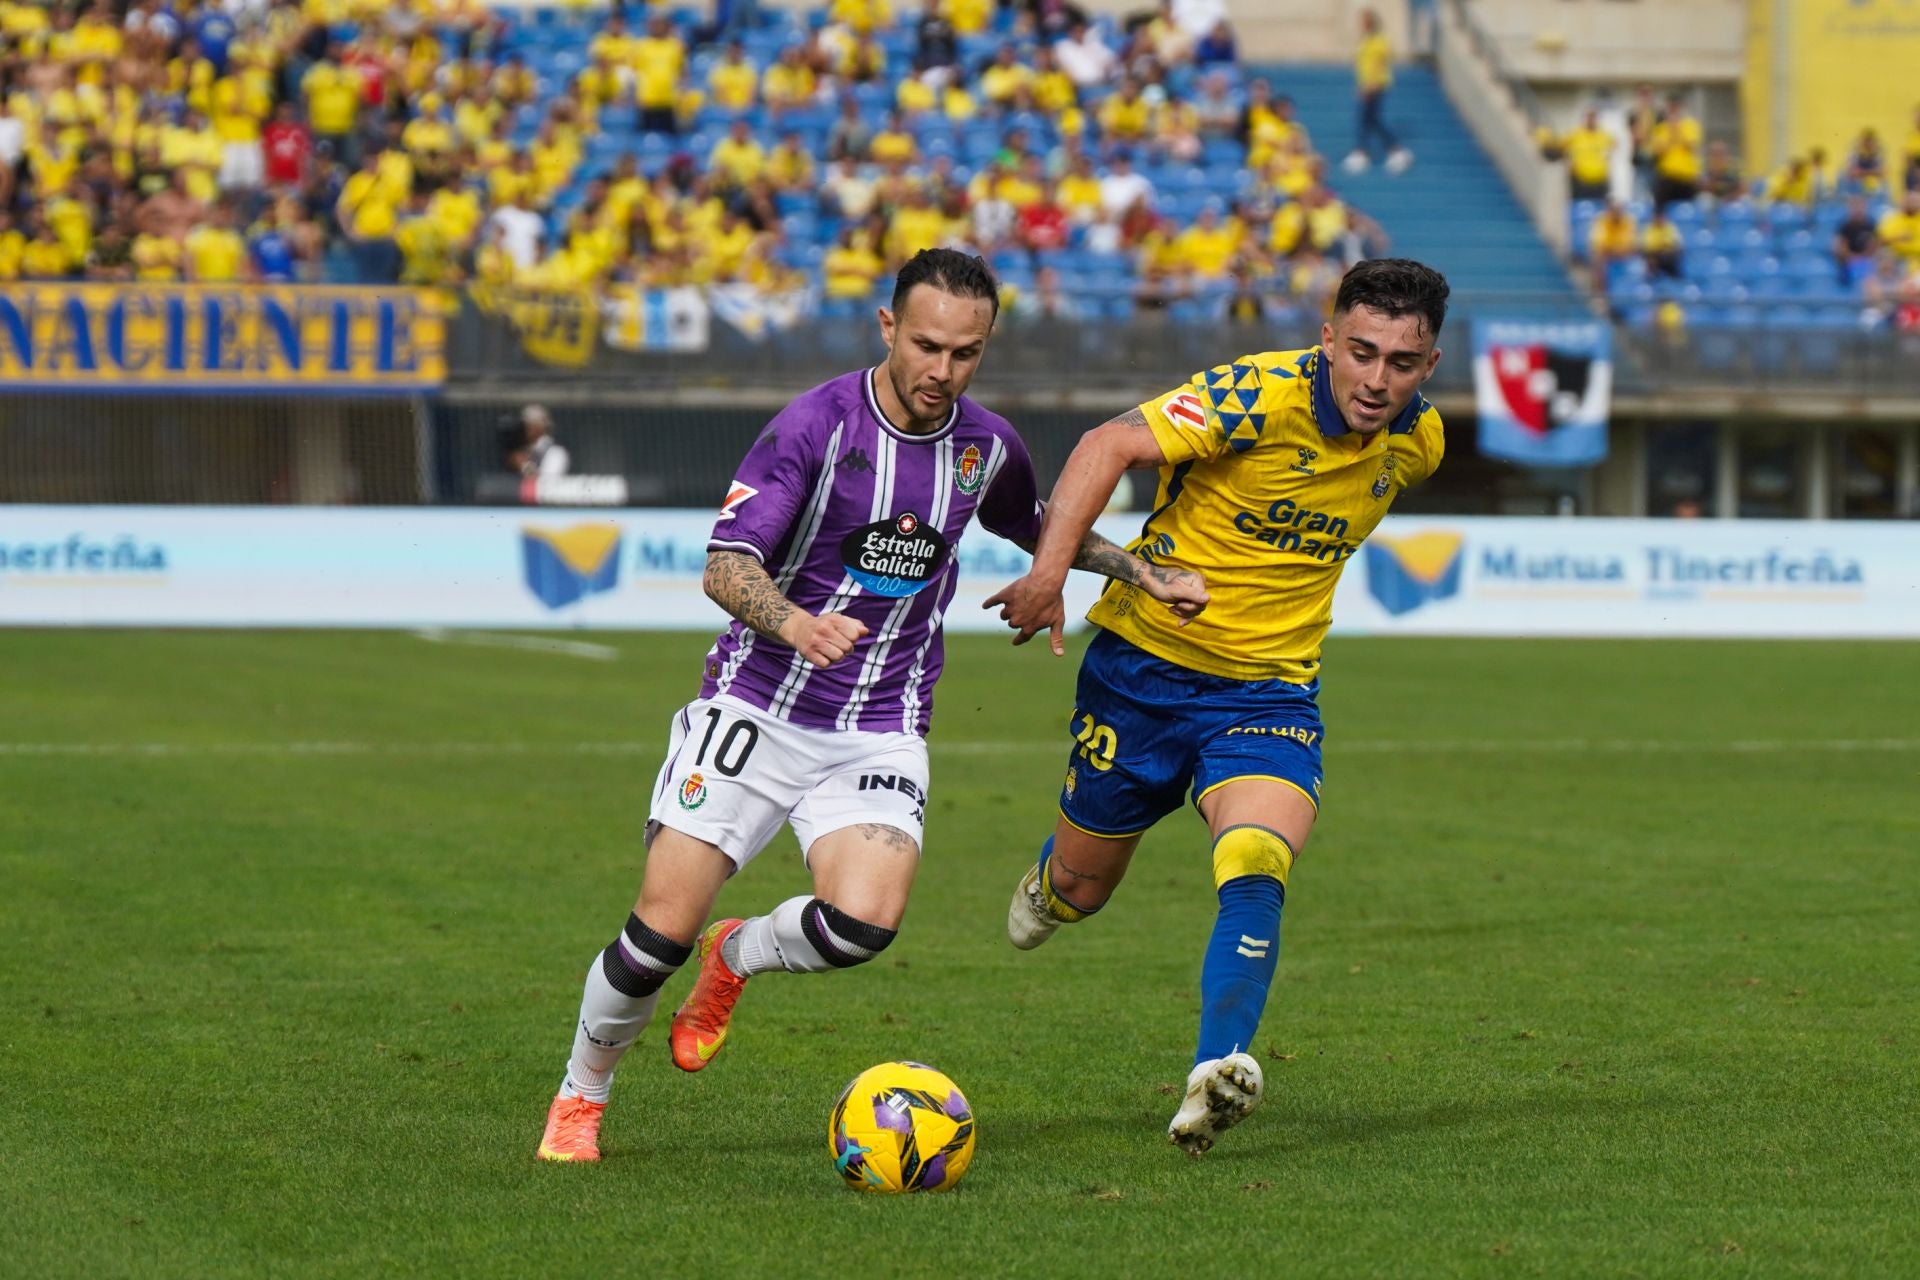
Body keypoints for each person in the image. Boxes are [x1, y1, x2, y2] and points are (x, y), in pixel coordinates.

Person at [535, 249, 1205, 1163]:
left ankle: (736, 956)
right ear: (888, 328)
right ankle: (582, 1096)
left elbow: (1039, 523)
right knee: (657, 934)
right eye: (926, 345)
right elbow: (726, 566)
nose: (942, 370)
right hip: (757, 707)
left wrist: (1143, 570)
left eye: (965, 353)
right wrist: (795, 623)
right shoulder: (815, 427)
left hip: (878, 724)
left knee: (860, 928)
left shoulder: (986, 445)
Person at [983, 258, 1450, 1155]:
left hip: (1270, 691)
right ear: (1328, 340)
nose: (1377, 379)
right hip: (1140, 674)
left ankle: (1215, 1070)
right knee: (1082, 888)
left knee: (1256, 853)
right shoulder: (1254, 395)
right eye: (1361, 353)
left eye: (1401, 362)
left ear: (1428, 367)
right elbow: (1105, 447)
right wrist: (1050, 577)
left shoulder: (1416, 444)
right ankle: (1053, 882)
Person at [1345, 9, 1411, 175]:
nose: (1361, 25)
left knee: (1369, 118)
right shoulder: (1366, 40)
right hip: (1366, 83)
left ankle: (1390, 149)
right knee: (1369, 118)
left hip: (1376, 85)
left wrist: (1370, 85)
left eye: (1365, 21)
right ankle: (1365, 150)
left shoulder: (1379, 41)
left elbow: (1379, 65)